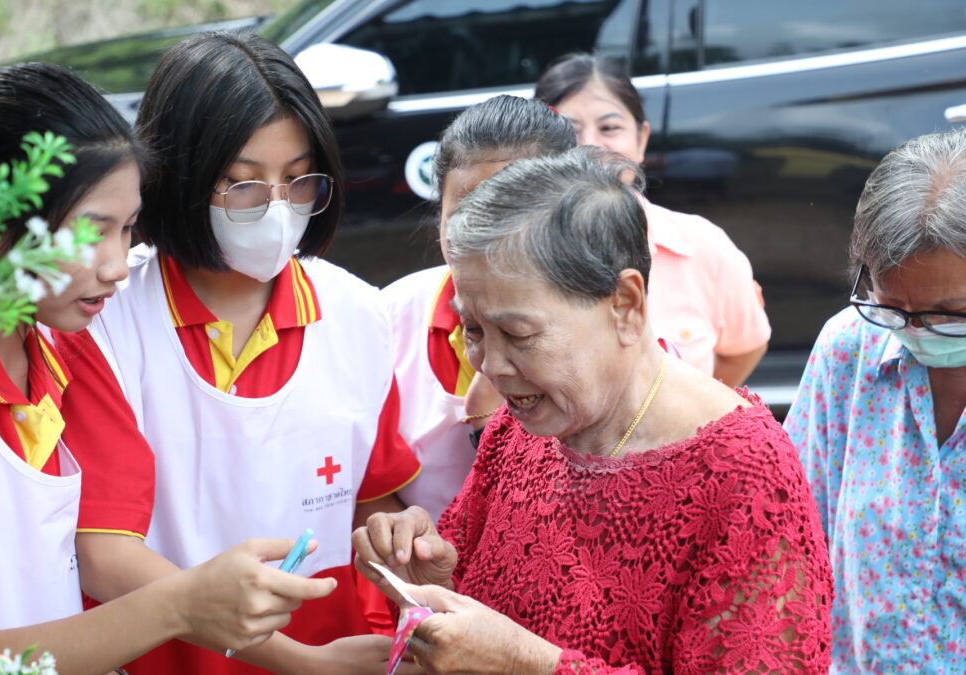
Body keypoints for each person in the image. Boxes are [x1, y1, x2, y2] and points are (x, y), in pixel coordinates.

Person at [0, 62, 337, 674]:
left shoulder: (61, 351)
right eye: (91, 231)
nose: (117, 265)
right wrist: (180, 606)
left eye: (127, 229)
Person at [354, 146, 833, 673]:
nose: (490, 365)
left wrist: (526, 664)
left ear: (625, 305)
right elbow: (478, 601)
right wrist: (435, 579)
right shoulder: (523, 426)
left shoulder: (745, 474)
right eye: (473, 330)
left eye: (518, 333)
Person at [59, 32, 422, 674]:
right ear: (176, 177)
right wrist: (299, 661)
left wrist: (399, 533)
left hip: (339, 648)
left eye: (299, 180)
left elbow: (370, 496)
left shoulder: (356, 312)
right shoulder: (106, 321)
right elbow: (106, 554)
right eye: (242, 185)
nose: (278, 211)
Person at [785, 129, 966, 672]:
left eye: (948, 312)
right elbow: (798, 537)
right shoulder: (850, 349)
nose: (917, 329)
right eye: (893, 306)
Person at [384, 95, 576, 521]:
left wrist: (494, 423)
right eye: (466, 215)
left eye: (515, 213)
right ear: (440, 218)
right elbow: (362, 484)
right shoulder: (388, 320)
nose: (488, 241)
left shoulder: (615, 335)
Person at [536, 53, 770, 386]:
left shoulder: (703, 246)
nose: (589, 145)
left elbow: (744, 348)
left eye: (609, 127)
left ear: (642, 139)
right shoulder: (512, 254)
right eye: (569, 130)